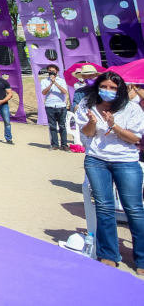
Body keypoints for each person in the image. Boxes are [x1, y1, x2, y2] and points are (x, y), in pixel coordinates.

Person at [75, 71, 144, 274]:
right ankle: (108, 254)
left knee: (134, 209)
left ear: (120, 89)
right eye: (104, 87)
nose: (108, 91)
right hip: (97, 160)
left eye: (113, 88)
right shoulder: (87, 105)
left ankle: (141, 258)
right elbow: (86, 134)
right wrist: (92, 123)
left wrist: (114, 125)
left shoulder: (131, 108)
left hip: (125, 161)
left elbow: (134, 139)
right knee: (104, 207)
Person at [41, 64, 69, 150]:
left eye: (53, 70)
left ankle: (64, 144)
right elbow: (44, 93)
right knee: (52, 126)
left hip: (61, 106)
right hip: (50, 106)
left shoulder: (61, 80)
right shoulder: (44, 81)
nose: (51, 72)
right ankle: (55, 144)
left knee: (62, 126)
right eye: (49, 71)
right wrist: (50, 84)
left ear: (57, 71)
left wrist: (55, 83)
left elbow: (64, 91)